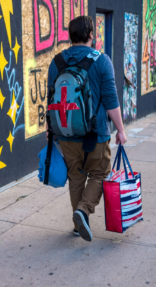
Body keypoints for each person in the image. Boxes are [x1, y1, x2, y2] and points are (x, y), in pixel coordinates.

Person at [46, 15, 127, 242]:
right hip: (96, 133)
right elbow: (111, 101)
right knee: (100, 173)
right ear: (91, 35)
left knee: (76, 176)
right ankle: (83, 210)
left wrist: (49, 130)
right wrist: (120, 129)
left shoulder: (57, 61)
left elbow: (50, 98)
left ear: (71, 36)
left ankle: (77, 224)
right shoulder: (101, 61)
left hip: (65, 132)